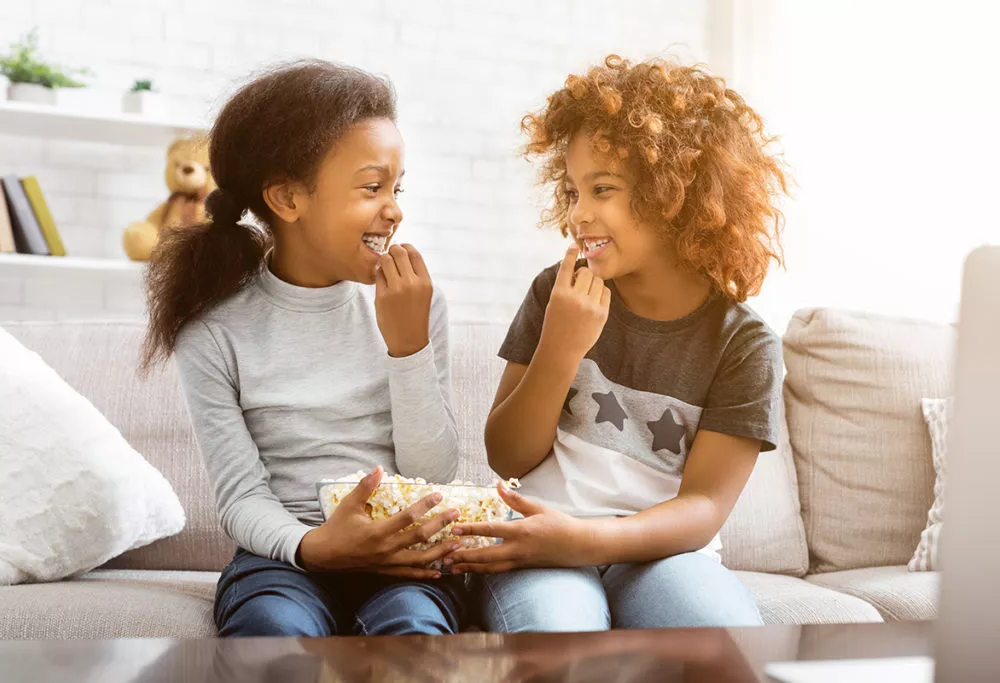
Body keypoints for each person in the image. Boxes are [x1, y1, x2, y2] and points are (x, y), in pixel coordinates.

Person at [448, 54, 787, 632]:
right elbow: (507, 456)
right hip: (540, 544)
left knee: (725, 647)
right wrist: (561, 345)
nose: (579, 214)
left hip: (662, 555)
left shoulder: (745, 344)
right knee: (558, 641)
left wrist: (584, 540)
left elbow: (703, 508)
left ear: (676, 194)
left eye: (601, 189)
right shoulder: (556, 293)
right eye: (572, 191)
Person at [140, 59, 465, 637]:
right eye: (371, 187)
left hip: (401, 555)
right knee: (270, 632)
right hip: (282, 559)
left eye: (396, 187)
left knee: (416, 634)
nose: (393, 208)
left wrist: (408, 346)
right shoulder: (213, 331)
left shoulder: (415, 306)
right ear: (288, 199)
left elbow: (430, 471)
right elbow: (241, 499)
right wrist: (314, 547)